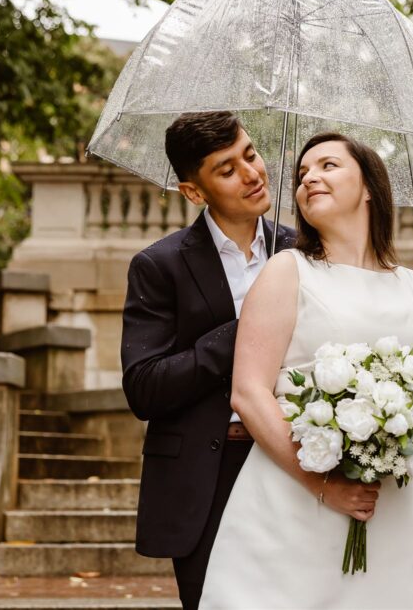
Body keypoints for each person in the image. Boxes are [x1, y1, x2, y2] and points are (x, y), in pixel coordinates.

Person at [199, 132, 413, 609]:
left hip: (395, 512)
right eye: (301, 175)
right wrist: (325, 486)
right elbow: (248, 393)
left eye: (328, 166)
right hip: (295, 506)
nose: (309, 178)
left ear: (369, 188)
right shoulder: (287, 270)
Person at [120, 111, 296, 610]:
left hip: (292, 467)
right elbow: (145, 387)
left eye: (251, 153)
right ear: (193, 192)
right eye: (226, 169)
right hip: (207, 478)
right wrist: (247, 331)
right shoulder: (159, 266)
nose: (252, 173)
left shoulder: (303, 251)